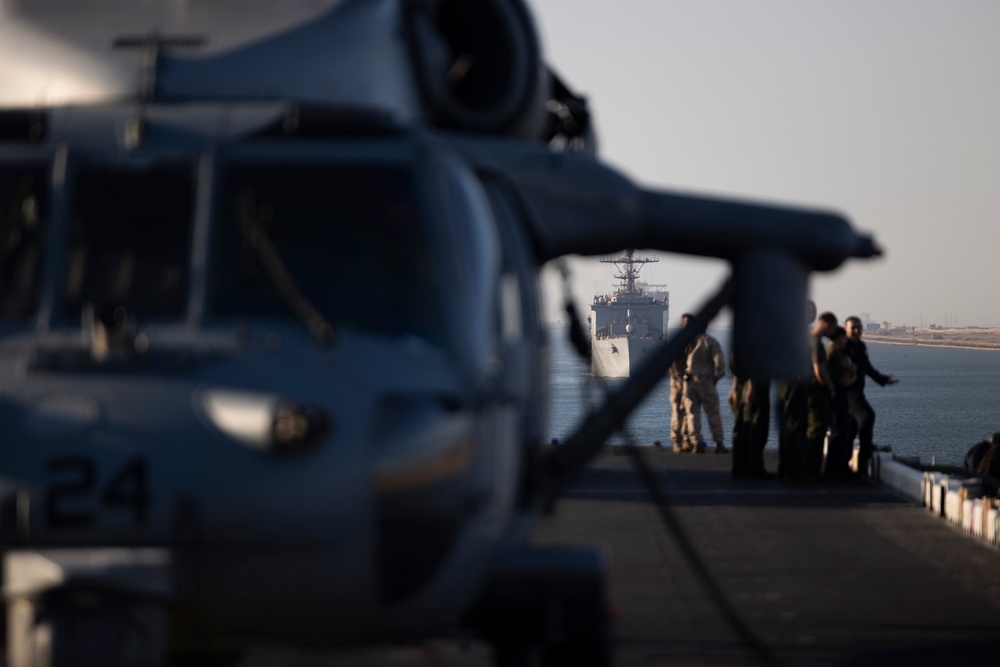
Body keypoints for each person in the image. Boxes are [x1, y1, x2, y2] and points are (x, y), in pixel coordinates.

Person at [843, 316, 898, 477]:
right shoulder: (843, 347)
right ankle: (865, 454)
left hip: (857, 391)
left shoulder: (860, 346)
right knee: (867, 416)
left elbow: (867, 368)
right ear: (845, 329)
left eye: (859, 327)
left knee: (851, 429)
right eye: (853, 327)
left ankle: (841, 468)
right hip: (847, 392)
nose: (856, 330)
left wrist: (884, 380)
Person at [777, 299, 816, 482]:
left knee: (793, 426)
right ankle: (792, 469)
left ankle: (788, 467)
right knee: (793, 425)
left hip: (792, 384)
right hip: (793, 385)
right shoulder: (794, 331)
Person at [680, 313, 729, 454]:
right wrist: (717, 378)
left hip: (688, 382)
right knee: (713, 412)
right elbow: (719, 363)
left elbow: (677, 362)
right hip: (705, 382)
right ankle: (719, 443)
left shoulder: (686, 342)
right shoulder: (710, 342)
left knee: (691, 414)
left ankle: (696, 443)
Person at [805, 312, 838, 477]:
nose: (832, 332)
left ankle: (807, 468)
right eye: (832, 327)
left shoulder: (806, 339)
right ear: (826, 324)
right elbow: (819, 372)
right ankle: (813, 471)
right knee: (817, 431)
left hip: (805, 392)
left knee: (808, 431)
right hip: (817, 393)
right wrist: (831, 387)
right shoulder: (817, 344)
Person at [729, 353, 772, 479]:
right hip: (755, 385)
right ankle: (755, 468)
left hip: (744, 384)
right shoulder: (756, 338)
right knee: (756, 428)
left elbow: (737, 365)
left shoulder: (743, 338)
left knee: (743, 426)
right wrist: (752, 387)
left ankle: (741, 467)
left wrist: (735, 388)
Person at [824, 326, 857, 479]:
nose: (846, 341)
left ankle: (837, 466)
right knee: (839, 429)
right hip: (835, 394)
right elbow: (851, 368)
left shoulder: (831, 351)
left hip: (837, 393)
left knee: (844, 427)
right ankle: (834, 467)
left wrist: (851, 376)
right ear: (839, 338)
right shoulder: (834, 351)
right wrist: (853, 370)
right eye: (844, 338)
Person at [669, 342, 691, 452]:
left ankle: (687, 440)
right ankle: (677, 441)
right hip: (679, 384)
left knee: (689, 411)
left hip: (688, 383)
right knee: (679, 411)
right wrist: (679, 382)